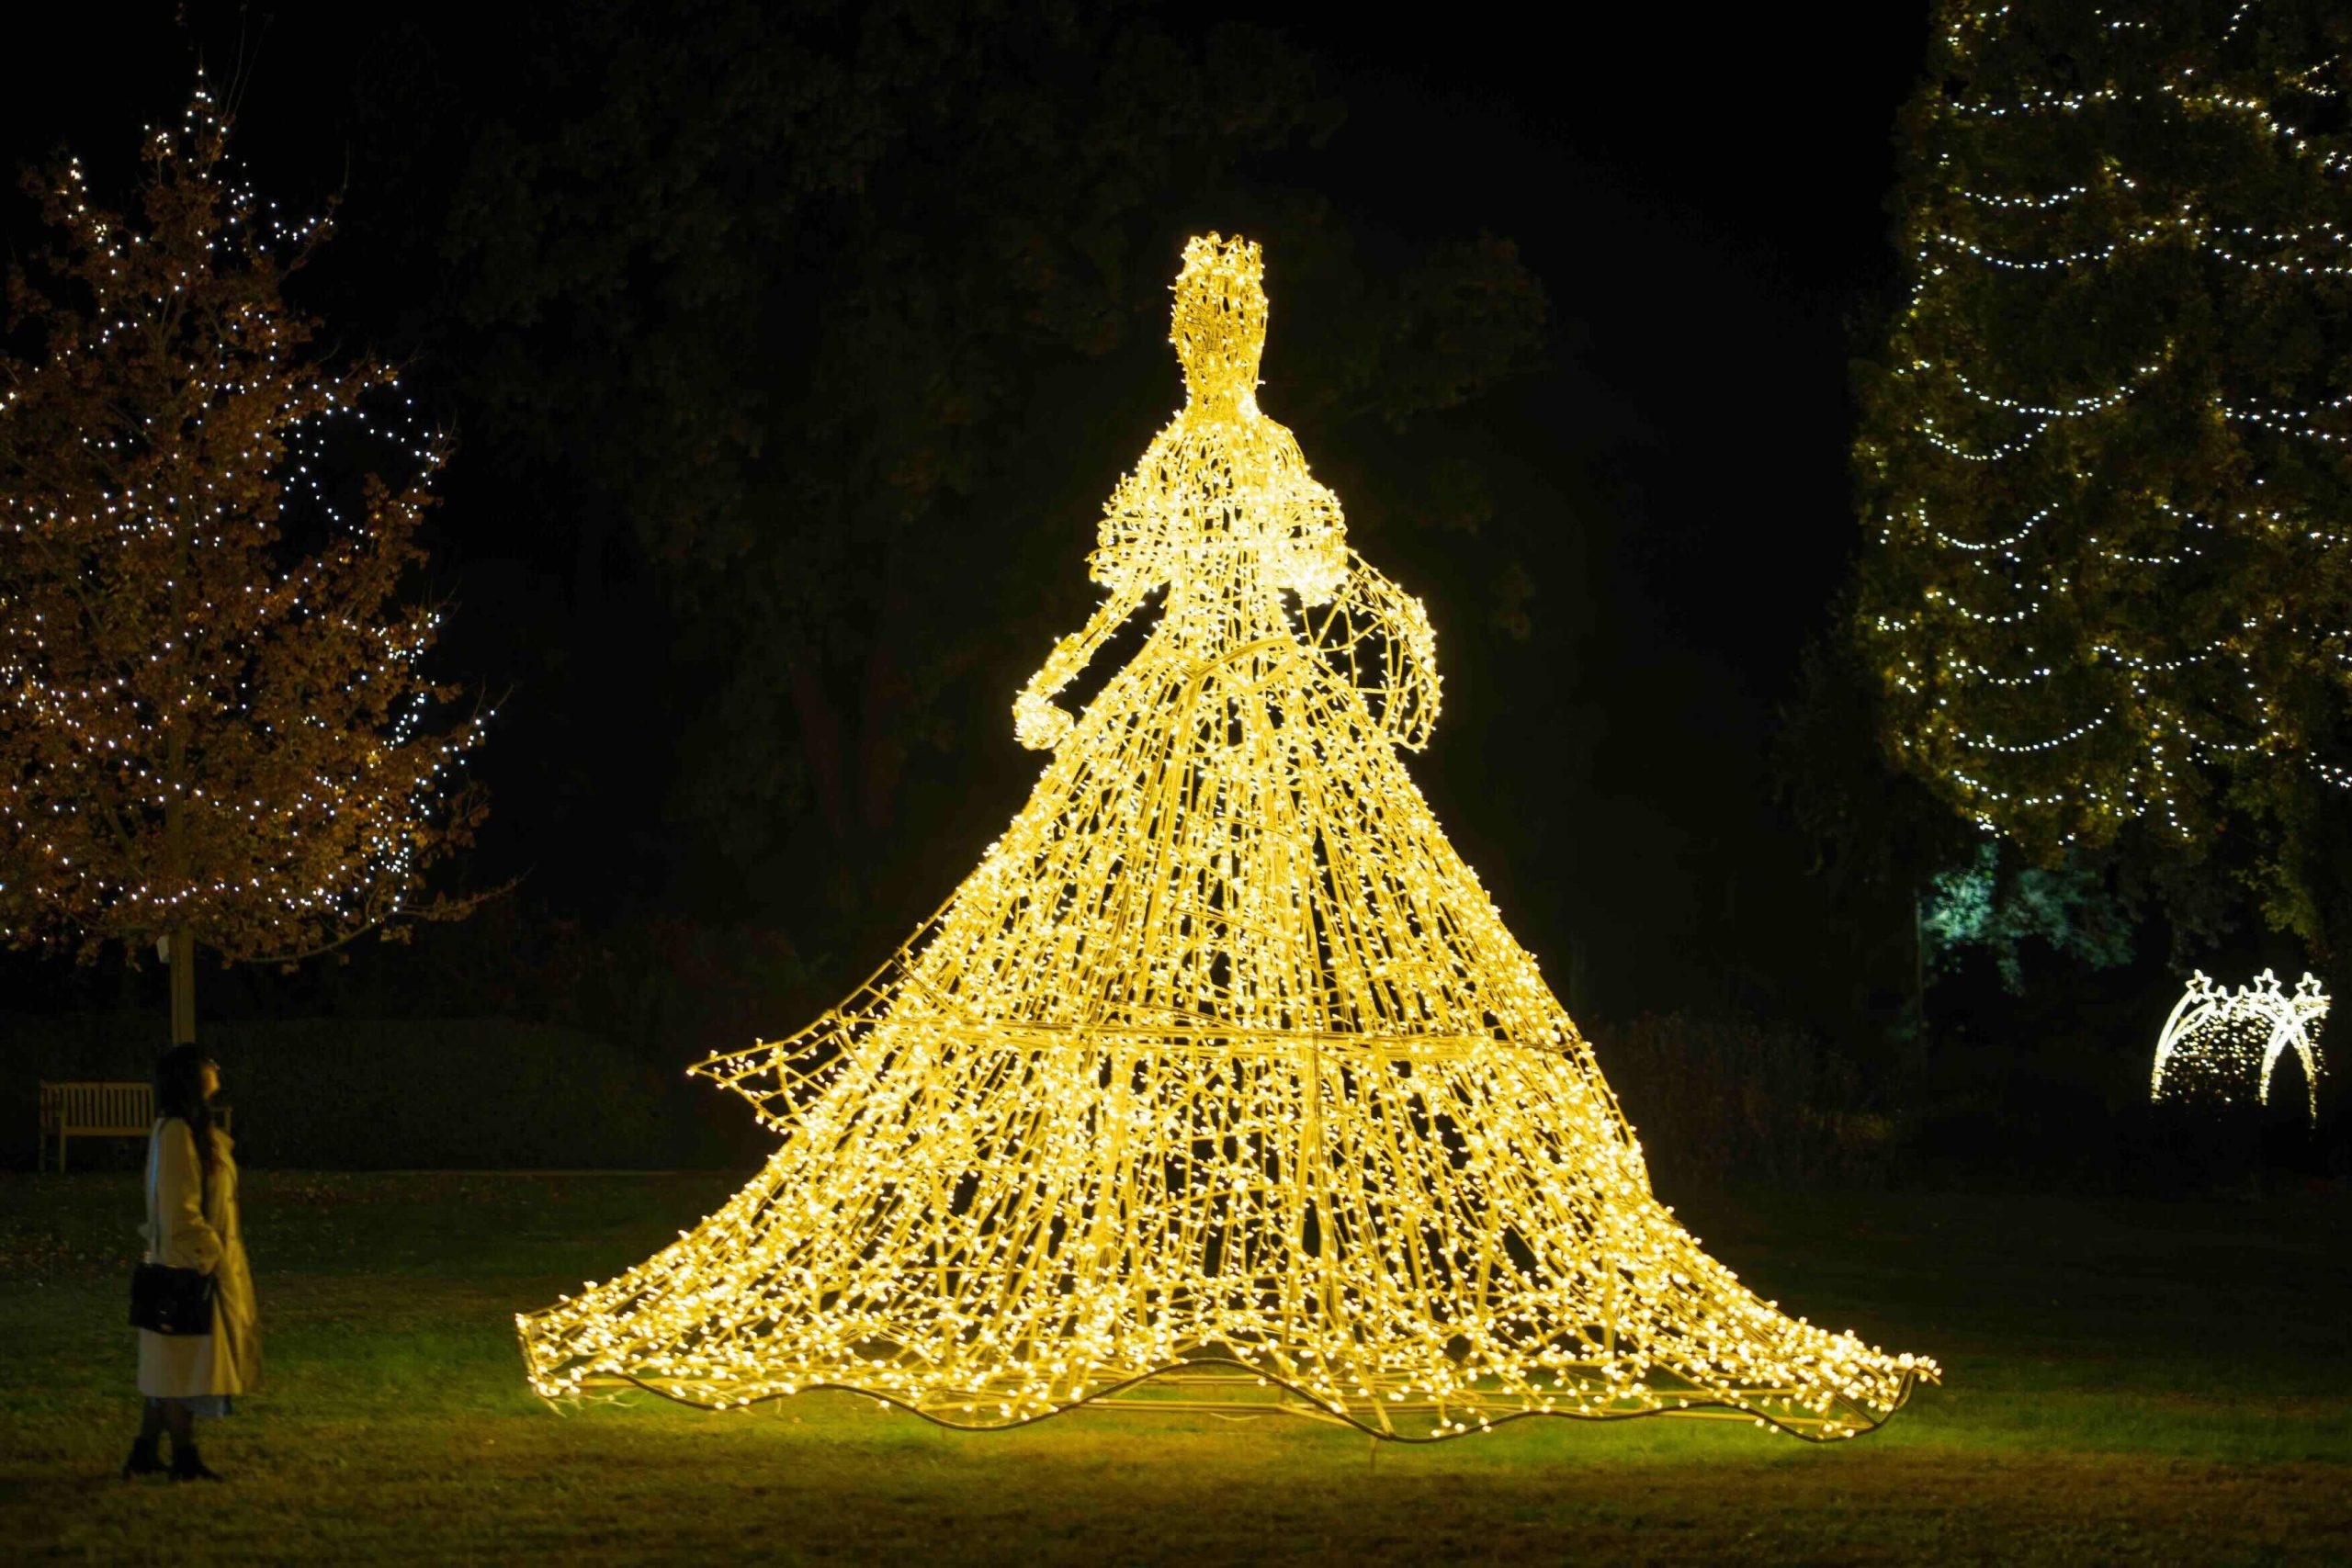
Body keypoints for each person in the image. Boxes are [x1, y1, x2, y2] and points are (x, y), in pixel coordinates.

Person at [121, 1044, 259, 1482]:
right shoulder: (176, 1133)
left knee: (172, 1364)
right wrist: (212, 1256)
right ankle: (184, 1457)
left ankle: (145, 1451)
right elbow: (182, 1211)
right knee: (180, 1363)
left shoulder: (191, 1131)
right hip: (186, 1268)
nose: (216, 1067)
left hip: (191, 1263)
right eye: (207, 1064)